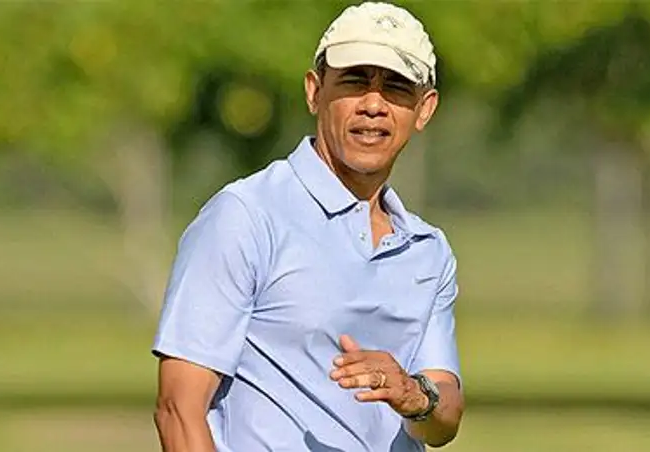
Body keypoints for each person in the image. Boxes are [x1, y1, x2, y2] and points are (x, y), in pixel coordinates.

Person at [151, 2, 464, 451]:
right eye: (355, 80)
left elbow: (444, 419)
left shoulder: (427, 250)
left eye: (396, 87)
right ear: (315, 91)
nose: (373, 105)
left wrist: (414, 395)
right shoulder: (246, 215)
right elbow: (178, 410)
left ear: (424, 109)